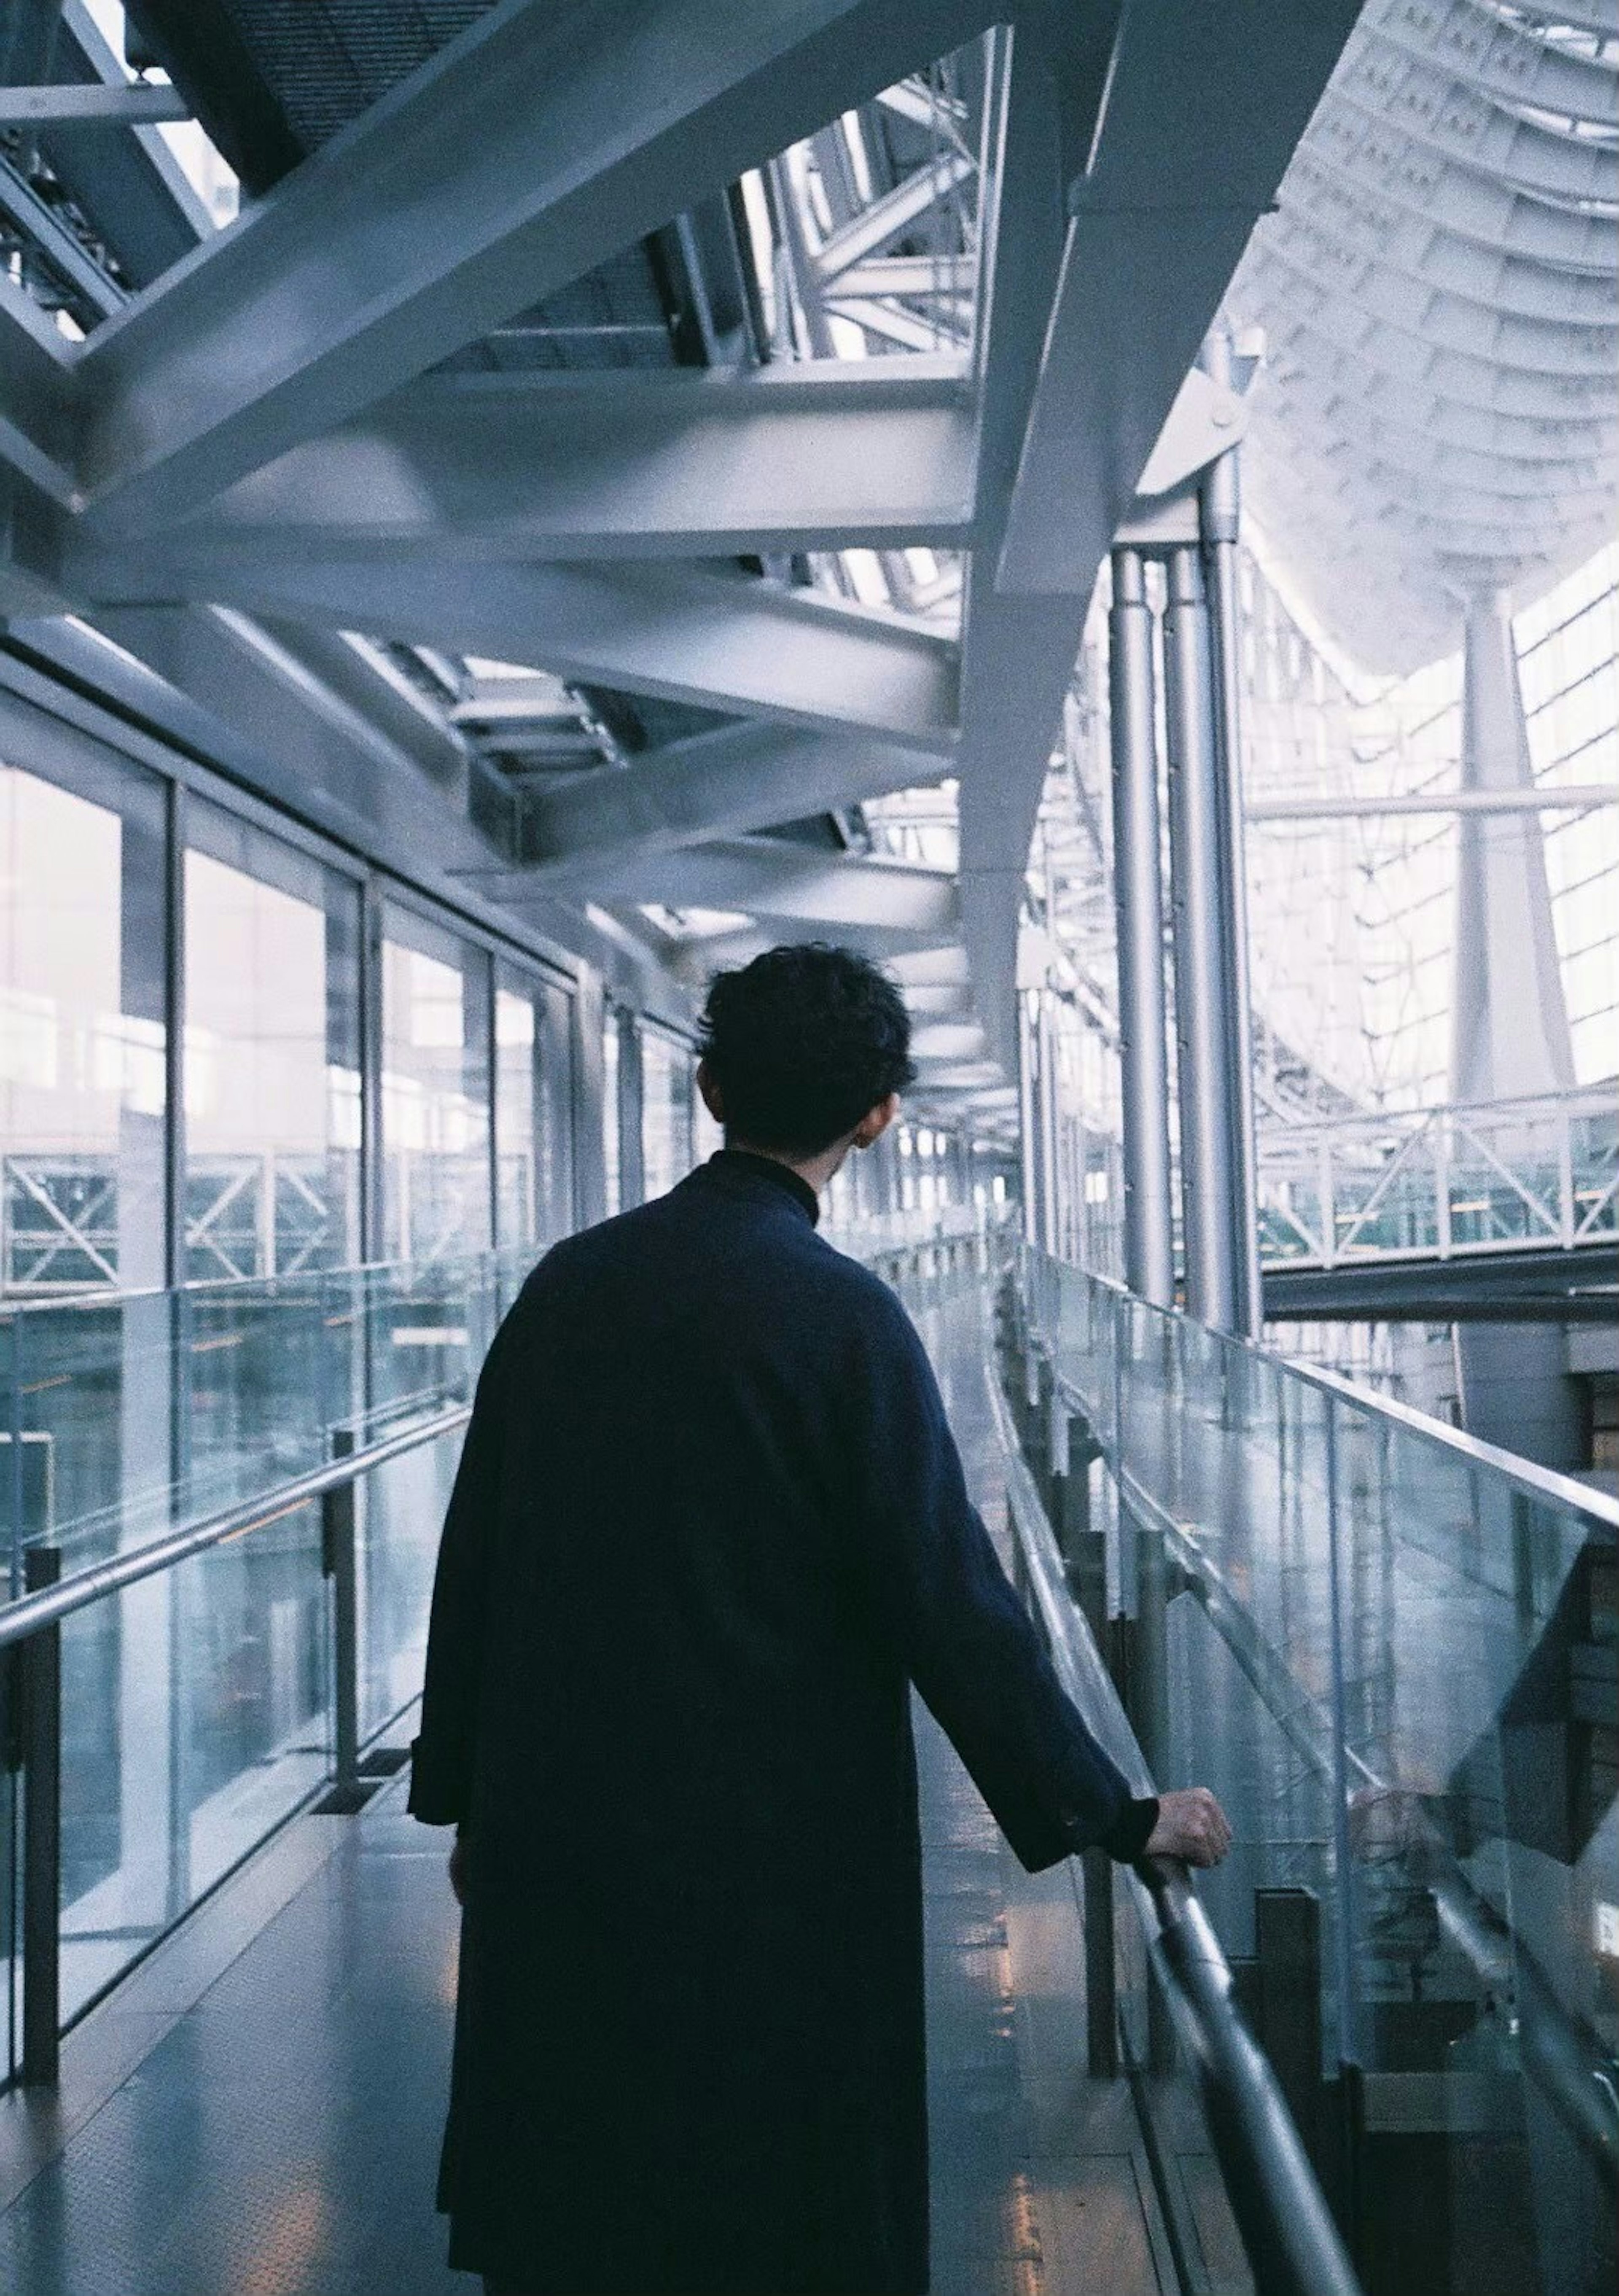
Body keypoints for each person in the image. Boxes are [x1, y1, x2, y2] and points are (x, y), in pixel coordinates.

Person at [409, 941, 1231, 2296]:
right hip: (770, 1873)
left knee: (575, 2198)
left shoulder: (569, 1287)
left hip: (560, 1840)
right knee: (773, 2212)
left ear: (710, 1084)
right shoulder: (846, 1320)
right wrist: (1117, 1814)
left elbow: (480, 1553)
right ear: (879, 1115)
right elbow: (951, 1603)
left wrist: (465, 1804)